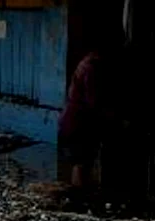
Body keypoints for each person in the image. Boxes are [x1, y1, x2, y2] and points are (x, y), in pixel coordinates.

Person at [58, 25, 121, 189]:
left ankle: (79, 198)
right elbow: (94, 102)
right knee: (82, 164)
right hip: (79, 124)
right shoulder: (92, 67)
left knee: (81, 164)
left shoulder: (89, 62)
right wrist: (115, 118)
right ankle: (80, 201)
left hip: (74, 122)